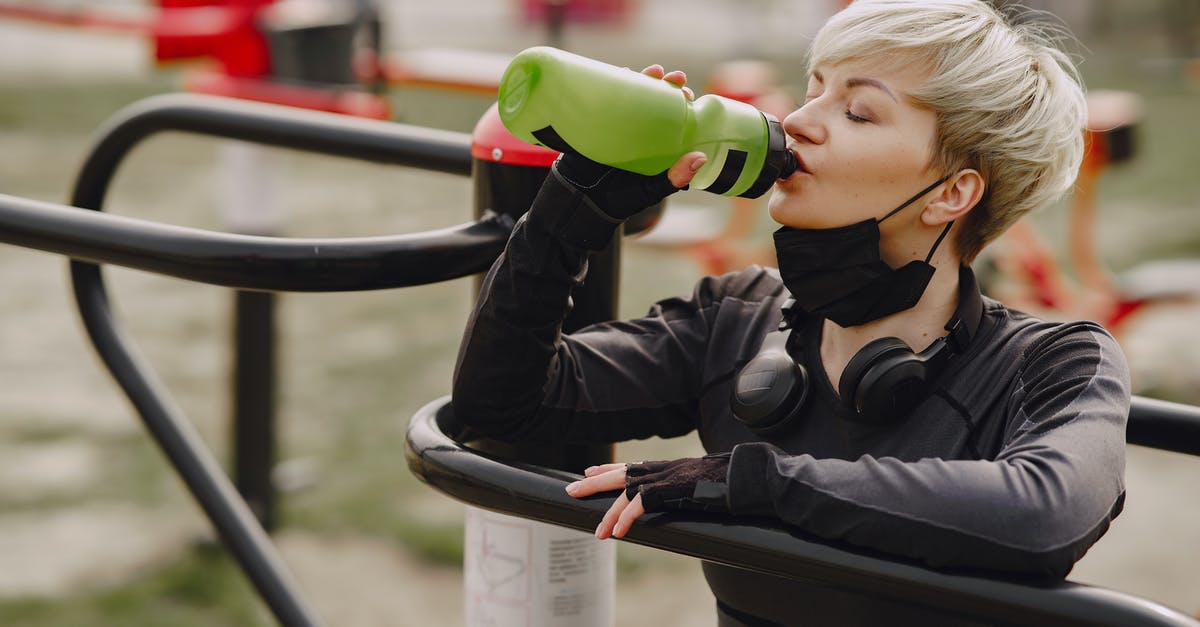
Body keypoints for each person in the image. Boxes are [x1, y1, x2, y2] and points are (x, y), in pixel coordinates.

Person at [452, 0, 1131, 624]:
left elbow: (1045, 513)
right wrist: (578, 204)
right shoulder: (738, 318)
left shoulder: (1057, 362)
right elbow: (504, 403)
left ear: (952, 192)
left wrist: (750, 480)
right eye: (814, 89)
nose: (799, 121)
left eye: (858, 111)